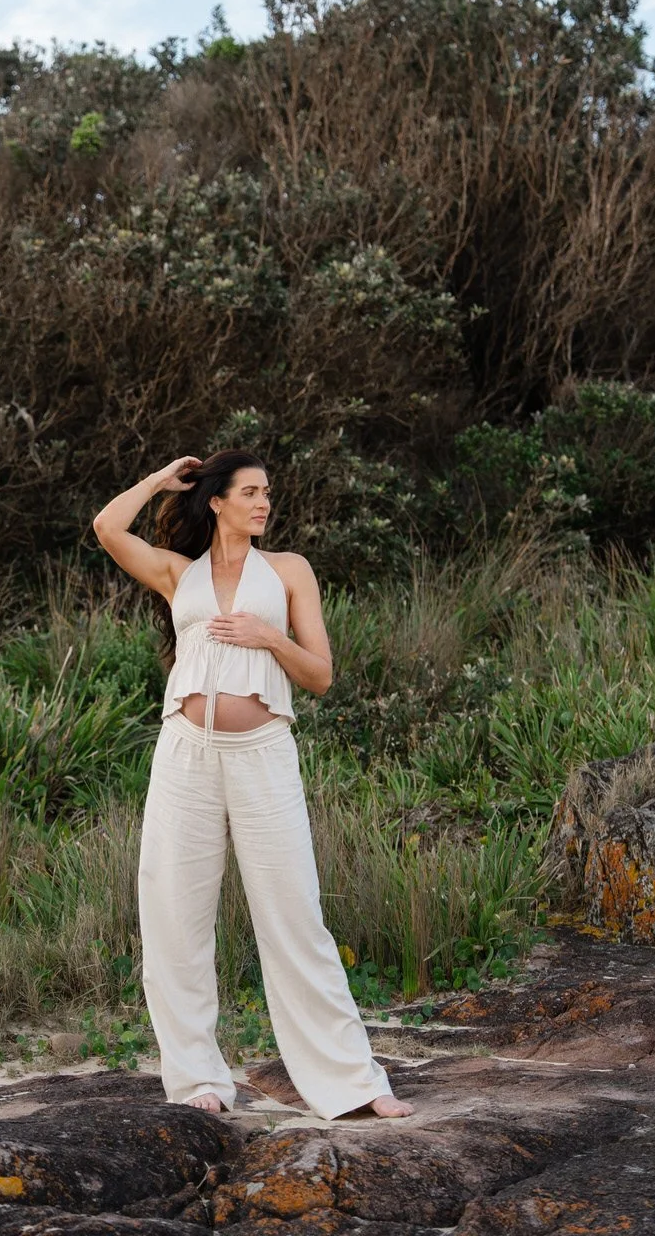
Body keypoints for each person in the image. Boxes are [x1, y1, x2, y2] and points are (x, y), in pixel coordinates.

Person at [92, 448, 415, 1121]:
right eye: (248, 492)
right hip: (185, 754)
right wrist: (156, 479)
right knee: (174, 916)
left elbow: (320, 675)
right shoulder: (179, 573)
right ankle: (197, 1081)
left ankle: (353, 1083)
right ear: (216, 502)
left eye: (267, 492)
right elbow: (106, 528)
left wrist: (268, 637)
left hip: (262, 751)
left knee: (293, 915)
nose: (263, 502)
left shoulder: (289, 570)